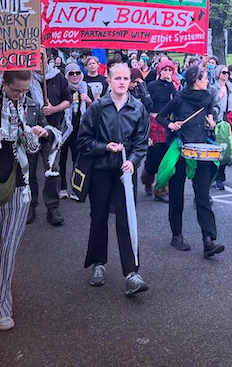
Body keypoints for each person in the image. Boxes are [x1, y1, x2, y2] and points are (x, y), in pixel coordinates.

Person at [0, 69, 57, 330]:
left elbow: (46, 136)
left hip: (19, 187)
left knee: (6, 253)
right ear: (4, 83)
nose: (19, 95)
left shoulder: (32, 106)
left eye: (24, 90)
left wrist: (42, 132)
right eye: (15, 90)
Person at [76, 63, 150, 295]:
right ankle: (98, 264)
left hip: (125, 172)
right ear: (108, 81)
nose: (121, 82)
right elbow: (83, 140)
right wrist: (104, 147)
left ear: (130, 82)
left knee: (126, 219)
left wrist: (134, 161)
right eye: (117, 78)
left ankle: (131, 273)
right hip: (100, 170)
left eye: (125, 78)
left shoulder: (138, 108)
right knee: (98, 217)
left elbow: (141, 142)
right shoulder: (97, 107)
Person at [156, 65, 225, 258]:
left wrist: (211, 121)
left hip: (201, 150)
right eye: (205, 78)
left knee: (203, 195)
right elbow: (160, 116)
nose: (207, 81)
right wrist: (171, 124)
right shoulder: (179, 98)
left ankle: (208, 240)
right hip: (181, 149)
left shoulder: (207, 97)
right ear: (196, 80)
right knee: (176, 194)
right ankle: (176, 235)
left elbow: (210, 115)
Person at [27, 55, 72, 226]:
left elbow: (68, 99)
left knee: (53, 169)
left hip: (52, 131)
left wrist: (54, 109)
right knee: (29, 170)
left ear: (47, 59)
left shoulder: (57, 77)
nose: (39, 61)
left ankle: (52, 208)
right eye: (35, 58)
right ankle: (30, 205)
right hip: (30, 131)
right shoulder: (25, 77)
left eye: (42, 58)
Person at [141, 59, 177, 200]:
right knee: (154, 155)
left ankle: (161, 188)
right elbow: (149, 102)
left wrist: (170, 84)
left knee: (166, 156)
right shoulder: (152, 85)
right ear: (159, 71)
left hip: (167, 123)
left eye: (170, 70)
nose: (167, 73)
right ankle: (147, 178)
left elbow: (176, 100)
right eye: (165, 70)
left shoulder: (173, 85)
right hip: (154, 122)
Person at [59, 63, 92, 199]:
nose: (75, 76)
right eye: (71, 73)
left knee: (77, 160)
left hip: (80, 129)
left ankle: (76, 189)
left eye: (77, 73)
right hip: (64, 128)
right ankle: (62, 187)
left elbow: (95, 107)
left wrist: (88, 100)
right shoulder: (63, 87)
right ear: (67, 75)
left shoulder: (85, 87)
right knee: (61, 160)